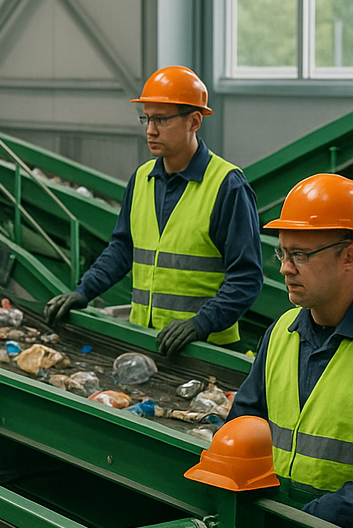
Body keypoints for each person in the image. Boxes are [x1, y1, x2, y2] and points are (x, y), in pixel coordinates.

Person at [44, 66, 263, 356]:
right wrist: (83, 291)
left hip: (207, 352)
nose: (150, 130)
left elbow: (246, 277)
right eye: (146, 118)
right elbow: (123, 248)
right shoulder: (142, 179)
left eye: (161, 119)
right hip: (146, 343)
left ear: (194, 121)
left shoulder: (227, 186)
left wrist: (201, 324)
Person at [226, 173, 353, 528]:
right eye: (282, 253)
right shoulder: (281, 332)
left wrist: (305, 519)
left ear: (349, 254)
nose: (285, 268)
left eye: (301, 255)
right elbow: (245, 419)